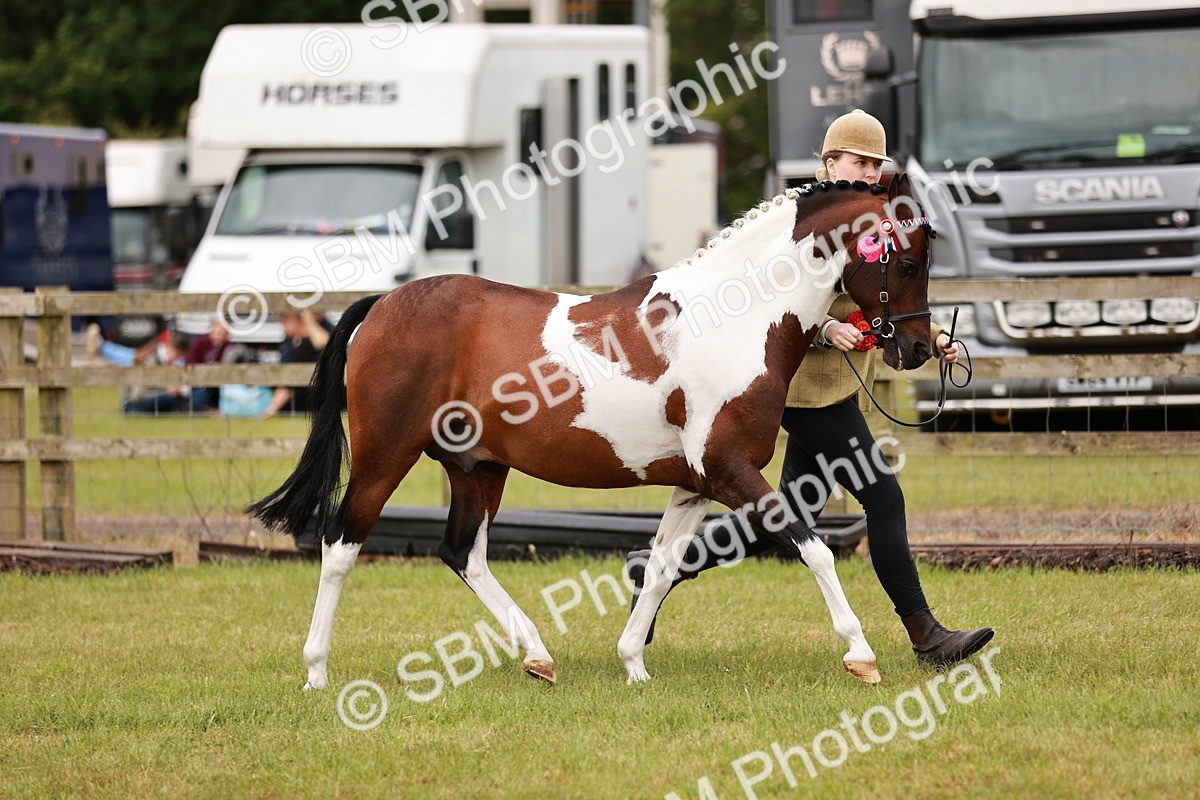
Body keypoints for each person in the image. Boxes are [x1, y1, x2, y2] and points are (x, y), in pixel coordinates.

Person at [628, 109, 994, 666]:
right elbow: (767, 298)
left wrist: (934, 336)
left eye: (877, 163)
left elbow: (879, 294)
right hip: (798, 391)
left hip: (833, 388)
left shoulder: (868, 221)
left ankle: (656, 570)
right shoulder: (800, 219)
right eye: (858, 160)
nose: (870, 171)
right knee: (883, 496)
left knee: (782, 517)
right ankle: (927, 636)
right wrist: (825, 328)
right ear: (830, 162)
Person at [261, 310, 332, 418]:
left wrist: (307, 317)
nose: (283, 329)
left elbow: (323, 343)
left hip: (316, 398)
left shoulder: (314, 338)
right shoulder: (290, 342)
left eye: (284, 324)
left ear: (294, 320)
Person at [120, 332, 192, 414]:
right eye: (178, 354)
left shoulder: (165, 361)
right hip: (133, 405)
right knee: (172, 399)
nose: (178, 359)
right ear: (169, 347)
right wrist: (166, 391)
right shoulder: (152, 360)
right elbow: (137, 395)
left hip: (144, 400)